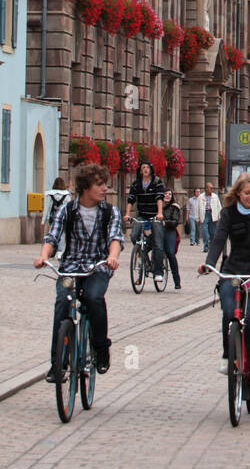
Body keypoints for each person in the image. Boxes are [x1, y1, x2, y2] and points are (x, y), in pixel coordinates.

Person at [35, 162, 123, 380]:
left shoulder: (110, 212)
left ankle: (101, 347)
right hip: (71, 268)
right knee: (63, 302)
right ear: (86, 188)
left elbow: (115, 239)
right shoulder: (68, 209)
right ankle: (58, 365)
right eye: (100, 184)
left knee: (94, 298)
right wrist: (43, 256)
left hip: (97, 268)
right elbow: (52, 237)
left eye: (105, 184)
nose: (105, 189)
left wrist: (112, 257)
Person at [199, 173, 250, 388]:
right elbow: (219, 240)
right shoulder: (228, 213)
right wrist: (208, 263)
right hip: (232, 270)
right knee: (229, 313)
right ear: (238, 193)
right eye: (247, 193)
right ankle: (228, 357)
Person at [124, 160, 166, 277]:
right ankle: (143, 255)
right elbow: (131, 199)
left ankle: (158, 272)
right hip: (142, 215)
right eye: (143, 167)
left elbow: (159, 198)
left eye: (147, 167)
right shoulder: (136, 184)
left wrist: (160, 213)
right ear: (141, 171)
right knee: (134, 236)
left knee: (158, 243)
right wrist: (127, 214)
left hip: (154, 215)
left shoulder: (157, 182)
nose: (145, 169)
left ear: (151, 170)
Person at [162, 187, 183, 290]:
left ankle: (177, 281)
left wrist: (166, 223)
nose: (167, 196)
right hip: (158, 231)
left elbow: (175, 221)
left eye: (169, 194)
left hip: (170, 231)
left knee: (170, 253)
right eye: (165, 193)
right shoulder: (157, 206)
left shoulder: (174, 207)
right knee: (146, 245)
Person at [196, 182, 222, 253]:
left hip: (213, 215)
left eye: (212, 188)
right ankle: (206, 246)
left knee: (213, 232)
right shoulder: (201, 197)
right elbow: (197, 208)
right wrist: (197, 218)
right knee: (204, 231)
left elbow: (219, 207)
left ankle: (211, 245)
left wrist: (220, 216)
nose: (212, 189)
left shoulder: (215, 196)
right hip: (204, 214)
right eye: (210, 188)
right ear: (206, 188)